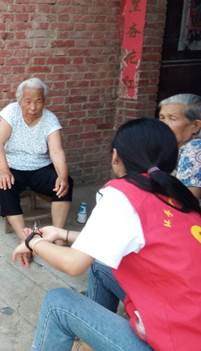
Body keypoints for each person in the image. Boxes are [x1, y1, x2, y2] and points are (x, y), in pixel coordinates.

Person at [12, 118, 201, 350]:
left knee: (58, 303)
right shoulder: (178, 195)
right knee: (100, 267)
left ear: (115, 156)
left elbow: (73, 264)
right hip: (187, 324)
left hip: (175, 342)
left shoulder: (123, 194)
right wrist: (62, 233)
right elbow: (122, 239)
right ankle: (91, 341)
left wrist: (33, 242)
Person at [0, 77, 73, 241]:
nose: (33, 107)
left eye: (38, 101)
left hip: (40, 167)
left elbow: (56, 151)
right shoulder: (11, 112)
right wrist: (4, 171)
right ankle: (25, 238)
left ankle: (58, 236)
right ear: (20, 100)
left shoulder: (50, 119)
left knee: (65, 184)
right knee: (5, 185)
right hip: (12, 166)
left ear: (45, 101)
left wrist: (62, 176)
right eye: (28, 101)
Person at [158, 93, 201, 199]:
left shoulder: (195, 150)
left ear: (195, 126)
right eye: (162, 118)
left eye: (172, 118)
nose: (164, 124)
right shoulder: (172, 147)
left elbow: (187, 200)